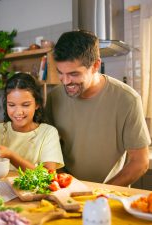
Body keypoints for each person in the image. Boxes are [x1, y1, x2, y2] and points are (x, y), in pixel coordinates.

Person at [45, 30, 151, 186]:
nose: (66, 81)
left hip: (109, 195)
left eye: (74, 74)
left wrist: (100, 192)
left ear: (95, 65)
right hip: (65, 190)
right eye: (60, 73)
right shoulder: (54, 98)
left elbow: (140, 162)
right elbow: (49, 148)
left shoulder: (127, 100)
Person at [0, 72, 64, 171]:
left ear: (37, 104)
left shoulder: (48, 132)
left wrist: (11, 156)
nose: (19, 112)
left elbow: (49, 174)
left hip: (33, 187)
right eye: (11, 105)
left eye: (25, 105)